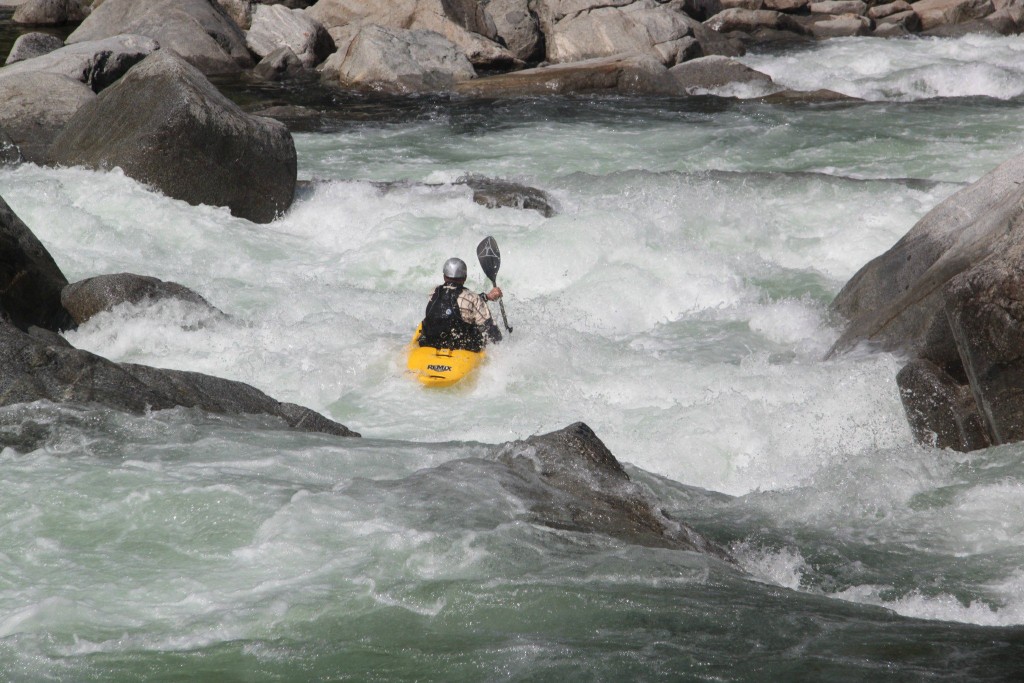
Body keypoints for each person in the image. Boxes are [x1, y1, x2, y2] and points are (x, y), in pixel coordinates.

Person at [419, 257, 502, 352]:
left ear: (444, 276)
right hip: (461, 347)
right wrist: (499, 341)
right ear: (465, 278)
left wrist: (487, 296)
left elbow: (459, 300)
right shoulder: (473, 298)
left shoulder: (432, 292)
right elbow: (490, 329)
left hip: (431, 343)